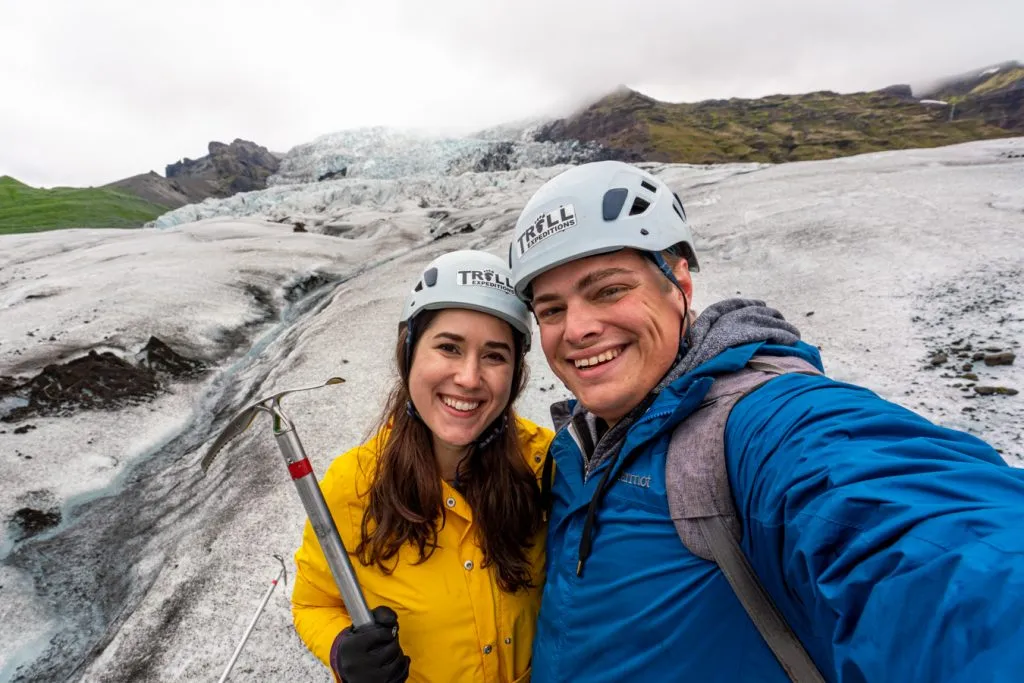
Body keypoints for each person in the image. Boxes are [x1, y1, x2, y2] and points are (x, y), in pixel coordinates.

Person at [507, 160, 1024, 682]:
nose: (577, 329)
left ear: (679, 283)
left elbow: (939, 551)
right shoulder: (574, 448)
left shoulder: (759, 424)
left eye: (609, 290)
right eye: (552, 310)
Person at [291, 249, 553, 683]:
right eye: (449, 347)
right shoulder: (353, 485)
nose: (469, 378)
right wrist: (342, 651)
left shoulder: (545, 464)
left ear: (516, 372)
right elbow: (313, 602)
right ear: (409, 352)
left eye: (494, 355)